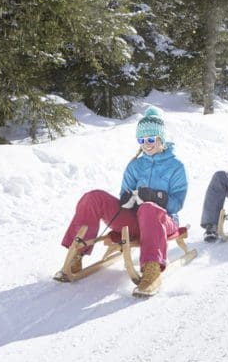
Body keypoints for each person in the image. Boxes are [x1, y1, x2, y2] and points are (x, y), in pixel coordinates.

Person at [57, 106, 188, 295]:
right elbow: (124, 195)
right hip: (135, 222)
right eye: (142, 140)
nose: (147, 144)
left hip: (164, 221)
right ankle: (77, 253)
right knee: (93, 198)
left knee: (149, 209)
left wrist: (155, 197)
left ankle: (152, 269)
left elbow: (178, 203)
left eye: (151, 139)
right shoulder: (135, 166)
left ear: (162, 139)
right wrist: (127, 199)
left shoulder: (176, 166)